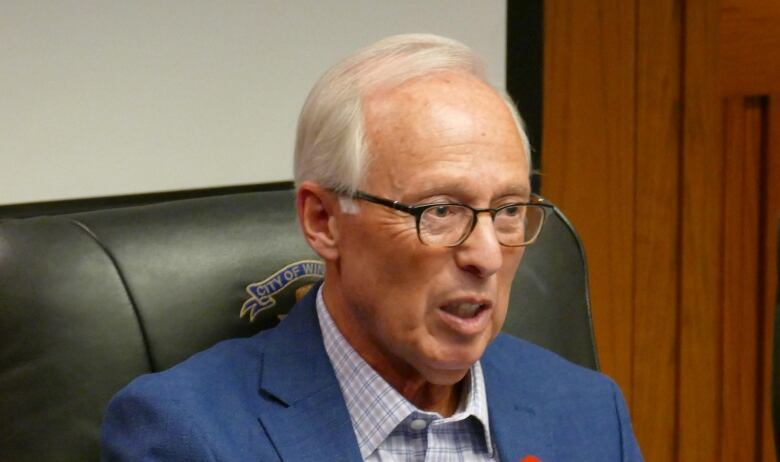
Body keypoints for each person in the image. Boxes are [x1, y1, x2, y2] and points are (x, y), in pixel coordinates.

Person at [101, 34, 643, 461]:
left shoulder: (588, 413)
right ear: (324, 221)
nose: (487, 255)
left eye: (506, 211)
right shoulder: (188, 435)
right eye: (440, 210)